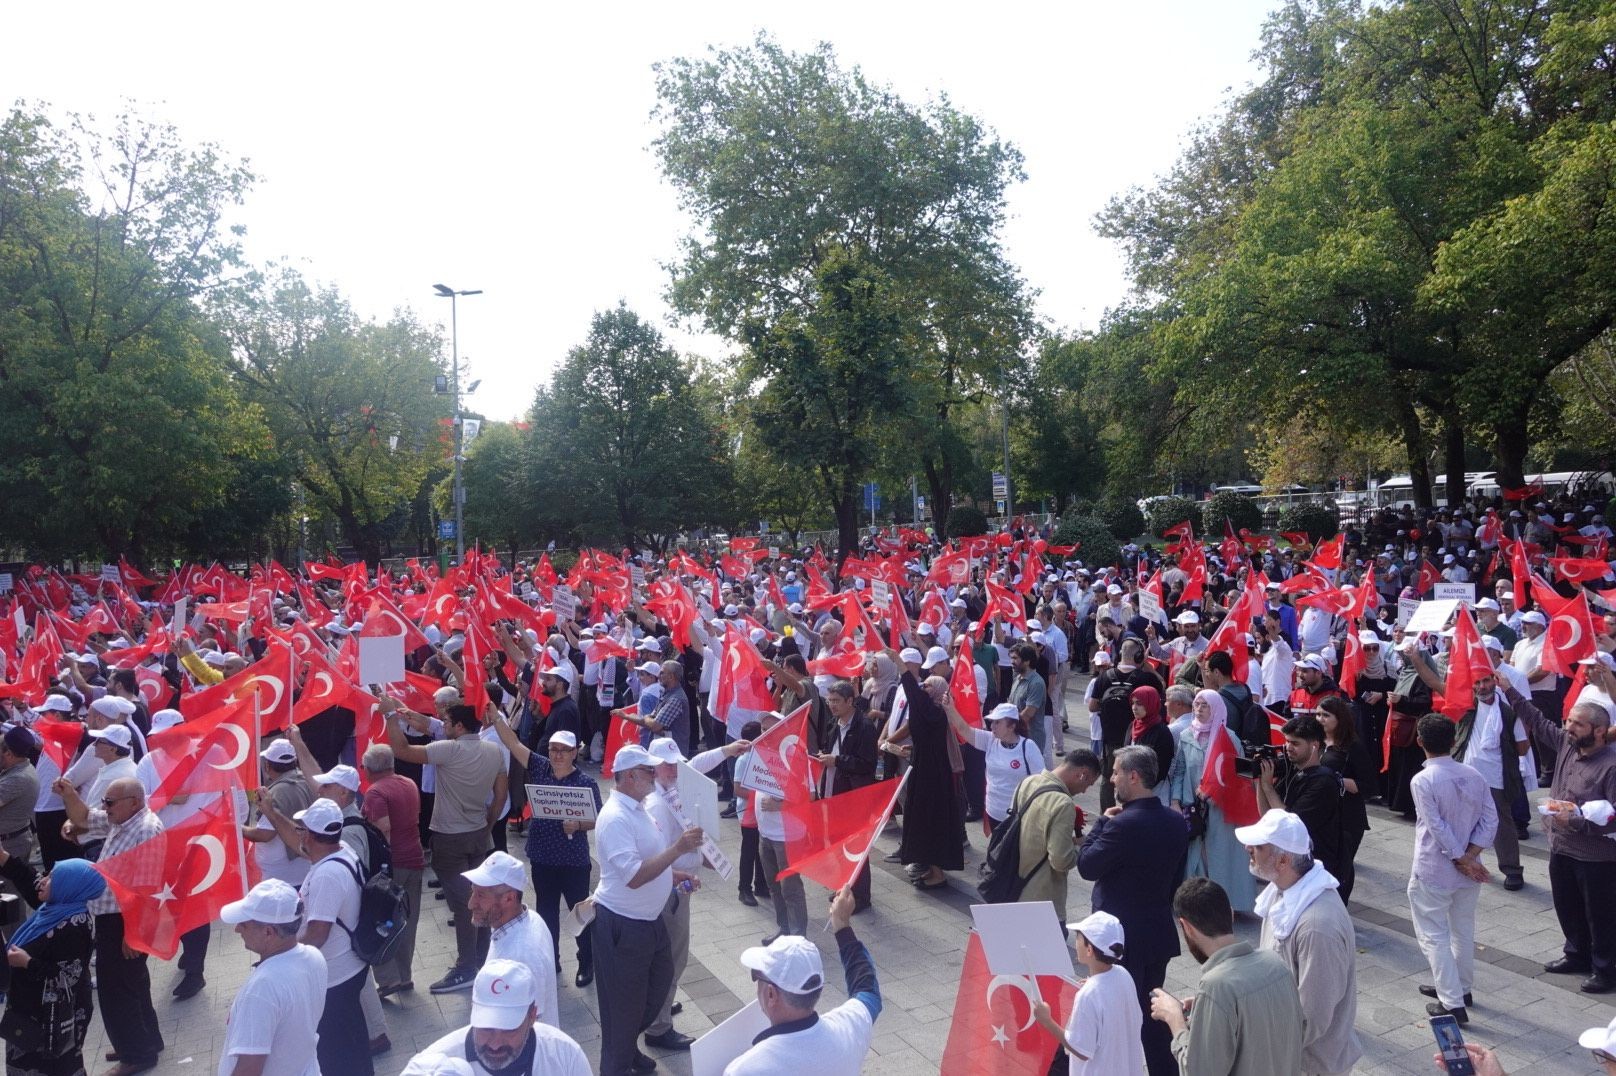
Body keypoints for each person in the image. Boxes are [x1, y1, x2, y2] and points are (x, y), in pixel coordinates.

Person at [1076, 744, 1189, 1076]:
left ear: (1134, 776)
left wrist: (1099, 824)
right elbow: (1176, 880)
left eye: (1116, 772)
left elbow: (1086, 865)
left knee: (1114, 1020)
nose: (1111, 779)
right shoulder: (1174, 820)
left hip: (1119, 941)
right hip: (1156, 933)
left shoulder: (1122, 825)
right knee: (1153, 1018)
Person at [384, 698, 507, 995]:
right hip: (479, 834)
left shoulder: (448, 750)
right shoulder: (493, 750)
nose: (443, 727)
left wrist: (389, 715)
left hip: (449, 840)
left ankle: (466, 967)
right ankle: (481, 958)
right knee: (480, 897)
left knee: (466, 905)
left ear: (460, 726)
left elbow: (400, 750)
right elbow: (500, 796)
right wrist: (488, 825)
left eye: (448, 723)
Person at [592, 743, 702, 1076]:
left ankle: (628, 1047)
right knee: (624, 1007)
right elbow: (635, 876)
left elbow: (647, 860)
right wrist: (678, 849)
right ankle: (617, 1062)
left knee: (654, 990)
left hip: (648, 921)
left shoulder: (638, 807)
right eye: (648, 771)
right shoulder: (614, 817)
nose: (655, 776)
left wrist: (674, 875)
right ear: (628, 777)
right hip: (623, 924)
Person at [1236, 809, 1362, 1076]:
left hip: (1308, 1065)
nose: (1248, 848)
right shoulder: (1286, 890)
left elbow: (1310, 1018)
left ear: (1282, 860)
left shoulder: (1317, 926)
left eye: (1258, 846)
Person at [57, 775, 164, 1076]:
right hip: (114, 918)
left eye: (110, 802)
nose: (105, 807)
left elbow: (146, 887)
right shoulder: (122, 819)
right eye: (105, 801)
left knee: (116, 991)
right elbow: (85, 817)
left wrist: (132, 934)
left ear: (134, 802)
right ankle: (146, 1040)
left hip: (124, 921)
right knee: (134, 984)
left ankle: (136, 1055)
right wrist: (67, 794)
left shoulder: (145, 830)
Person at [1512, 688, 1616, 993]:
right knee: (1566, 905)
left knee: (1601, 915)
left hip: (1597, 856)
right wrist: (1509, 689)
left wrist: (1575, 820)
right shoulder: (1567, 746)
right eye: (1568, 721)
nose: (1568, 728)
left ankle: (1605, 970)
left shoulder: (1611, 766)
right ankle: (1576, 954)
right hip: (1561, 848)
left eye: (1577, 724)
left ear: (1598, 731)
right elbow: (1536, 719)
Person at [1148, 877, 1305, 1075]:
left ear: (1186, 926)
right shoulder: (1276, 965)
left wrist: (1175, 1021)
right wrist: (1208, 1008)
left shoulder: (1216, 986)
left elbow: (1198, 1071)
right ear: (1230, 914)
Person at [491, 720, 602, 989]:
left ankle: (586, 961)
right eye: (553, 749)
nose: (557, 755)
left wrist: (577, 825)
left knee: (579, 913)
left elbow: (597, 818)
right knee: (546, 912)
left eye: (564, 750)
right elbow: (513, 744)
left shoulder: (586, 782)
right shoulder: (541, 767)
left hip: (573, 861)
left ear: (575, 752)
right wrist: (496, 718)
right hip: (543, 857)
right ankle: (550, 960)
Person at [724, 886, 879, 1075]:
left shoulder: (745, 1070)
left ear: (771, 994)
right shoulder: (846, 1030)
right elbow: (868, 992)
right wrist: (842, 924)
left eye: (757, 976)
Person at [1408, 714, 1497, 1024]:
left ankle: (1452, 1002)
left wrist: (1462, 858)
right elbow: (1490, 820)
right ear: (1454, 740)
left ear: (1419, 742)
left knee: (1433, 935)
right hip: (1466, 869)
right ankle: (1460, 988)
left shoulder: (1423, 780)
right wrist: (1471, 857)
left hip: (1436, 868)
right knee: (1462, 930)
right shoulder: (1473, 774)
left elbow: (1436, 826)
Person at [291, 797, 375, 1075]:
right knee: (352, 1037)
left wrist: (284, 953)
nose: (298, 833)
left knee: (334, 1052)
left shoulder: (327, 875)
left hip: (335, 975)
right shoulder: (343, 850)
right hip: (351, 966)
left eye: (301, 829)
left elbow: (317, 933)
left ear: (312, 836)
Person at [2, 858, 103, 1076]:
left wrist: (27, 962)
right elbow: (29, 879)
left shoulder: (74, 925)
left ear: (68, 885)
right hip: (27, 1013)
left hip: (50, 1020)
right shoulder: (52, 910)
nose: (42, 881)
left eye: (51, 878)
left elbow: (68, 977)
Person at [218, 878, 328, 1076]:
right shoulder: (314, 957)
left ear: (268, 932)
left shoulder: (262, 988)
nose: (236, 929)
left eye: (243, 924)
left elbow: (249, 1070)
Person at [408, 959, 592, 1076]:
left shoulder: (566, 1057)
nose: (495, 1043)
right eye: (486, 1027)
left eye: (509, 1028)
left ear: (532, 1017)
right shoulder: (435, 1066)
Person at [1168, 690, 1257, 915]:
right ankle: (1197, 904)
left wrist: (1214, 790)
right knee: (1196, 854)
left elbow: (1240, 775)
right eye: (1197, 704)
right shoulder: (1187, 736)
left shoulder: (1229, 737)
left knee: (1220, 856)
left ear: (1216, 708)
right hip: (1193, 806)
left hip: (1221, 808)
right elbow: (1179, 771)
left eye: (1205, 705)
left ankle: (1226, 904)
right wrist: (1176, 801)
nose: (1199, 709)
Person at [1029, 910, 1145, 1076]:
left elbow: (1080, 1049)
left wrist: (1047, 1021)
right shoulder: (1123, 975)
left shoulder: (1089, 995)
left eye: (1078, 938)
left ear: (1089, 949)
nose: (1075, 942)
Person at [888, 654, 964, 890]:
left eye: (929, 684)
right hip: (928, 770)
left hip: (931, 777)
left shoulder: (933, 712)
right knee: (925, 820)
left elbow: (913, 692)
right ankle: (932, 868)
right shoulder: (933, 713)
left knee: (930, 821)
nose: (924, 686)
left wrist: (900, 665)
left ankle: (938, 873)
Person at [1450, 668, 1529, 891]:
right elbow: (1435, 682)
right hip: (1465, 776)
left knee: (1502, 824)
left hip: (1496, 778)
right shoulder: (1465, 707)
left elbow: (1523, 748)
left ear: (1494, 682)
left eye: (1486, 681)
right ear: (1471, 686)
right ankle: (1465, 862)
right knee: (1463, 820)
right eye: (1478, 682)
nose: (1482, 686)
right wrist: (1417, 657)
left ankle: (1512, 870)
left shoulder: (1508, 712)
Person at [463, 851, 560, 1028]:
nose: (471, 903)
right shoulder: (530, 917)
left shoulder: (521, 956)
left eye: (481, 895)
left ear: (509, 898)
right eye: (473, 892)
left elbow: (528, 1027)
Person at [360, 742, 426, 999]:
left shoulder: (375, 793)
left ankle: (388, 980)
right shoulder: (408, 783)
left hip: (392, 864)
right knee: (408, 919)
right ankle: (405, 974)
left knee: (381, 920)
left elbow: (383, 827)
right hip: (414, 858)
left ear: (368, 768)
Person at [1254, 713, 1344, 883]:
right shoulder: (1290, 771)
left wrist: (1268, 787)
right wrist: (1260, 779)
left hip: (1316, 867)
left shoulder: (1323, 781)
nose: (1288, 747)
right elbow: (1267, 816)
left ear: (1314, 746)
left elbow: (1291, 823)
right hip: (1290, 866)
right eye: (1287, 741)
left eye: (1295, 743)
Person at [1009, 747, 1100, 910]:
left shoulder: (1028, 782)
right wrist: (1079, 846)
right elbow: (1060, 860)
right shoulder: (1063, 804)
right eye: (1088, 784)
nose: (1085, 791)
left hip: (1013, 884)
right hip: (1042, 897)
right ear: (1082, 774)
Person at [815, 679, 879, 907]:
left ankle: (860, 897)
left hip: (853, 797)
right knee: (837, 845)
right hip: (833, 793)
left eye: (836, 701)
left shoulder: (864, 727)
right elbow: (830, 749)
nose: (832, 705)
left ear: (850, 701)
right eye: (829, 701)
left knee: (854, 847)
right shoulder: (835, 723)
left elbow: (867, 764)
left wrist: (837, 760)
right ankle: (844, 888)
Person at [943, 700, 1045, 834]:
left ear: (1012, 726)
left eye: (997, 722)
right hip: (993, 812)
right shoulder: (990, 740)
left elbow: (1043, 781)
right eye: (992, 722)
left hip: (1018, 817)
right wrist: (950, 708)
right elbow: (963, 729)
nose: (992, 726)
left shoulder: (1028, 747)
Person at [1316, 697, 1375, 904]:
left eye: (1326, 715)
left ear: (1339, 718)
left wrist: (1339, 781)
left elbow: (1369, 785)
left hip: (1348, 818)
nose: (1320, 719)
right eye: (1318, 714)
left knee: (1341, 868)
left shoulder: (1352, 746)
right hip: (1322, 815)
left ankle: (1339, 907)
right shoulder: (1315, 741)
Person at [1126, 685, 1175, 802]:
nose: (1134, 707)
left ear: (1150, 704)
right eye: (1133, 703)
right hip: (1132, 787)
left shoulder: (1162, 732)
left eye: (1139, 703)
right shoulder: (1133, 726)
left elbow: (1162, 767)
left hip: (1153, 792)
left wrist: (1142, 787)